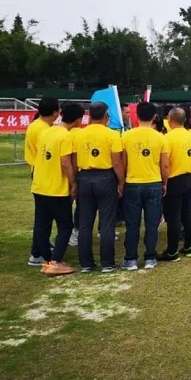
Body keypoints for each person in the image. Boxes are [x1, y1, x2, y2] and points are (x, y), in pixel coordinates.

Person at [30, 102, 84, 275]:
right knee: (66, 225)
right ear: (78, 120)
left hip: (39, 186)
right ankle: (55, 261)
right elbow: (65, 163)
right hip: (56, 188)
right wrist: (73, 182)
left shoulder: (45, 131)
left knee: (42, 225)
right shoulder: (65, 136)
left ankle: (46, 259)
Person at [73, 102, 124, 273]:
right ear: (106, 116)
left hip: (84, 177)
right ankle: (107, 263)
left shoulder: (79, 134)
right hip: (106, 178)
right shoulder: (112, 135)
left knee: (85, 223)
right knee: (107, 222)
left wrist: (75, 181)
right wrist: (121, 182)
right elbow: (117, 162)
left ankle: (86, 263)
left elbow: (74, 161)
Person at [120, 101, 169, 270]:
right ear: (154, 117)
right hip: (154, 183)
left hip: (132, 183)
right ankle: (150, 257)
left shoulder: (126, 136)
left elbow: (123, 163)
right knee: (152, 224)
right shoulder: (160, 137)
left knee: (132, 224)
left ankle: (131, 259)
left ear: (136, 116)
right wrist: (165, 183)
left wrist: (122, 182)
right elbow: (165, 165)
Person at [159, 107, 191, 260]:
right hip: (188, 178)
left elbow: (165, 164)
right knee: (188, 213)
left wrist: (164, 182)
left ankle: (172, 251)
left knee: (173, 217)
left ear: (170, 119)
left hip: (174, 180)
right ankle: (188, 246)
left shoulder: (168, 138)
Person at [25, 96, 60, 266]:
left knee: (45, 216)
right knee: (43, 217)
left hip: (40, 172)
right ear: (55, 112)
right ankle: (37, 253)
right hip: (44, 173)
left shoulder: (39, 126)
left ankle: (41, 247)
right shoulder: (42, 130)